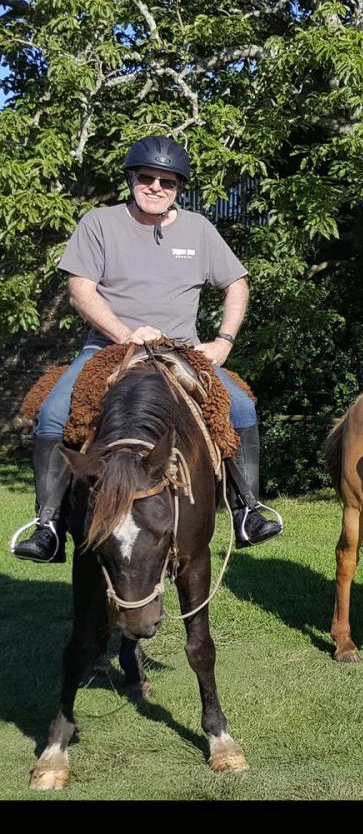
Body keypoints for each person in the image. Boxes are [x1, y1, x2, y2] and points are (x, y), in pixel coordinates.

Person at [12, 135, 283, 562]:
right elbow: (80, 289)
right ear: (132, 179)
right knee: (53, 414)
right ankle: (47, 524)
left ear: (179, 188)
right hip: (109, 348)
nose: (156, 187)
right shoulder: (99, 222)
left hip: (182, 351)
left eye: (167, 182)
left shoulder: (199, 229)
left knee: (242, 409)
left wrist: (223, 342)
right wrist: (123, 333)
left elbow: (237, 284)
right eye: (147, 178)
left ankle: (248, 509)